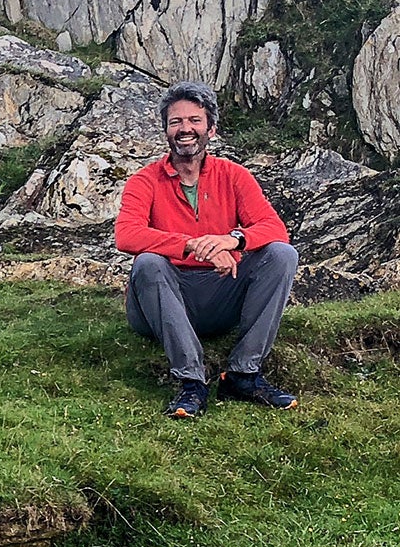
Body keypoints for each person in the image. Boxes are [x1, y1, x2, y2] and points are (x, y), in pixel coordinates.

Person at [114, 81, 300, 418]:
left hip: (219, 296)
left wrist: (232, 240)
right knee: (148, 262)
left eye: (195, 120)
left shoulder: (234, 176)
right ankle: (191, 383)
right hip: (162, 301)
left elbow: (274, 228)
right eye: (176, 122)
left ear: (210, 129)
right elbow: (126, 235)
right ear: (166, 132)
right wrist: (192, 246)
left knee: (282, 255)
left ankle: (243, 374)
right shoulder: (144, 180)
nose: (185, 129)